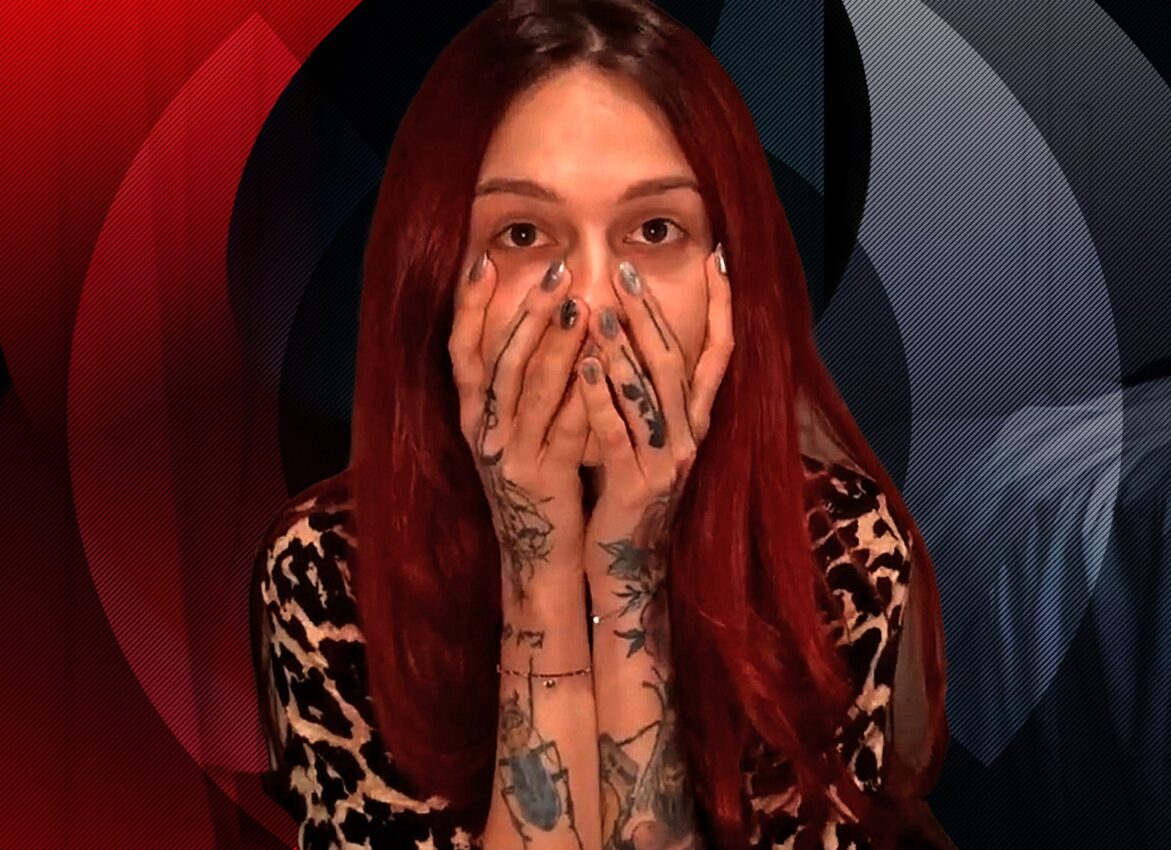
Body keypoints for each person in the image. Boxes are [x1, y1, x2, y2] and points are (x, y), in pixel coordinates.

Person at [250, 1, 954, 848]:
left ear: (729, 281)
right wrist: (538, 572)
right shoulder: (330, 572)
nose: (589, 301)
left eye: (654, 230)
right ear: (439, 276)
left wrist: (631, 582)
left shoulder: (836, 552)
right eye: (522, 233)